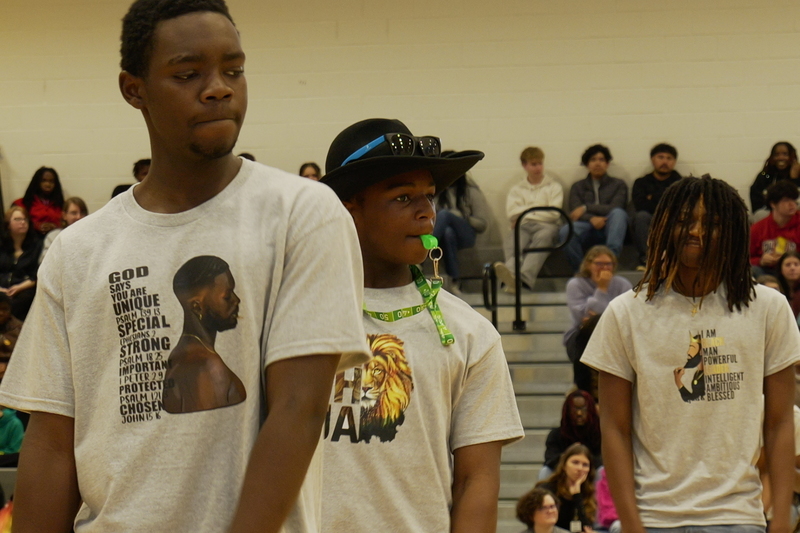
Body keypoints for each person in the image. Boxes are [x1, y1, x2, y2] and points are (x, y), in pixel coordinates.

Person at [0, 1, 371, 532]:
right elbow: (52, 444)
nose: (219, 87)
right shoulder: (78, 250)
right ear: (135, 89)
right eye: (188, 73)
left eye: (234, 70)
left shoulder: (302, 213)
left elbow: (299, 407)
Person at [319, 118, 524, 532]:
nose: (426, 212)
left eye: (430, 196)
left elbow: (476, 479)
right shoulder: (289, 314)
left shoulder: (471, 333)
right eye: (402, 197)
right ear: (348, 209)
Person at [583, 175, 800, 532]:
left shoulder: (769, 309)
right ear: (665, 225)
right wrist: (632, 525)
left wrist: (778, 523)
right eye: (685, 220)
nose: (696, 232)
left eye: (712, 223)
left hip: (738, 517)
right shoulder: (626, 312)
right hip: (653, 518)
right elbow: (614, 428)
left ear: (732, 231)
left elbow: (779, 424)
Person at [563, 245, 632, 396]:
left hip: (616, 334)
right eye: (599, 264)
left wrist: (595, 315)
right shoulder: (575, 284)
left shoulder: (623, 284)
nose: (604, 268)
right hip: (580, 335)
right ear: (588, 264)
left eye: (608, 264)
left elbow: (627, 315)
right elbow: (580, 318)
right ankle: (583, 388)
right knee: (591, 329)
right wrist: (601, 288)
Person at [494, 146, 563, 293]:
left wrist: (526, 211)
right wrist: (539, 209)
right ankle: (510, 277)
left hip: (546, 226)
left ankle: (523, 280)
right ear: (525, 166)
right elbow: (512, 214)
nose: (538, 167)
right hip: (523, 226)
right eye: (534, 164)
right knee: (512, 240)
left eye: (540, 163)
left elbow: (554, 214)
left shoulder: (554, 187)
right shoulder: (517, 189)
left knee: (544, 236)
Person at [559, 145, 628, 273]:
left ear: (607, 164)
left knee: (618, 214)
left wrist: (586, 208)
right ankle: (582, 272)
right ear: (587, 164)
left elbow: (616, 207)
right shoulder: (577, 186)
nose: (597, 163)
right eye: (593, 160)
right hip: (586, 227)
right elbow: (575, 212)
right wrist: (591, 219)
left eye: (601, 160)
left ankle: (610, 263)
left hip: (611, 225)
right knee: (566, 231)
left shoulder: (618, 184)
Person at [431, 153, 489, 290]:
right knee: (447, 232)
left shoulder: (470, 190)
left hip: (466, 235)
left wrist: (462, 217)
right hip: (444, 236)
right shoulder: (436, 191)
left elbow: (482, 224)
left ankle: (423, 250)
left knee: (445, 214)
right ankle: (455, 281)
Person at [631, 143, 681, 269]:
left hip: (672, 219)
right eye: (661, 157)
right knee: (641, 217)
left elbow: (679, 206)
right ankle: (646, 259)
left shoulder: (681, 183)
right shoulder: (641, 182)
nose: (665, 161)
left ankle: (675, 260)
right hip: (650, 219)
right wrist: (665, 198)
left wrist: (652, 198)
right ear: (652, 159)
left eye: (669, 158)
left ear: (674, 162)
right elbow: (641, 206)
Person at [536, 443, 597, 533]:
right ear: (564, 465)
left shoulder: (588, 492)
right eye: (575, 462)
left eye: (585, 465)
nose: (580, 468)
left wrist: (577, 495)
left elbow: (587, 528)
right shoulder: (547, 489)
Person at [542, 390, 601, 478]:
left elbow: (602, 460)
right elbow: (550, 460)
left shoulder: (599, 434)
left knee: (601, 471)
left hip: (590, 474)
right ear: (567, 411)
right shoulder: (556, 434)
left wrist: (583, 460)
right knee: (545, 471)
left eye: (583, 408)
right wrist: (571, 458)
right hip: (563, 476)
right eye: (575, 409)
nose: (579, 413)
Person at [750, 181, 800, 278]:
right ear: (773, 204)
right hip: (767, 272)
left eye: (794, 200)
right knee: (753, 270)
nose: (792, 204)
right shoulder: (758, 228)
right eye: (786, 200)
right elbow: (744, 259)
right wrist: (761, 261)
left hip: (795, 271)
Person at [0, 206, 42, 320]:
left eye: (25, 219)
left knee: (23, 300)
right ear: (8, 224)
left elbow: (36, 275)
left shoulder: (36, 245)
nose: (23, 222)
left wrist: (19, 287)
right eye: (17, 219)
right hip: (2, 289)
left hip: (24, 289)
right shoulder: (1, 245)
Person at [750, 142, 799, 219]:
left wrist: (794, 179)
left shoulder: (797, 175)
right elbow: (756, 197)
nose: (780, 158)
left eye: (785, 154)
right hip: (770, 214)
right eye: (776, 155)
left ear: (792, 157)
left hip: (794, 213)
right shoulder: (765, 175)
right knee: (759, 215)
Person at [13, 166, 65, 235]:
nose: (48, 184)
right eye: (44, 180)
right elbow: (15, 224)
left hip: (56, 238)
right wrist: (36, 226)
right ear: (37, 182)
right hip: (30, 240)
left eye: (51, 181)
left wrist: (55, 227)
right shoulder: (22, 203)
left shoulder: (62, 205)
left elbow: (68, 224)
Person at [40, 196, 88, 263]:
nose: (78, 217)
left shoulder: (91, 236)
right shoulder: (53, 236)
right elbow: (45, 262)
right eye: (74, 213)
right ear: (64, 215)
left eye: (82, 213)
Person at [0, 293, 22, 382]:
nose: (1, 313)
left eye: (5, 309)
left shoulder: (20, 329)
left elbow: (27, 356)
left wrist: (8, 367)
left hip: (13, 373)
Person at [777, 251, 800, 317]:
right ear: (780, 269)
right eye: (788, 265)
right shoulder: (775, 288)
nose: (792, 268)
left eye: (796, 264)